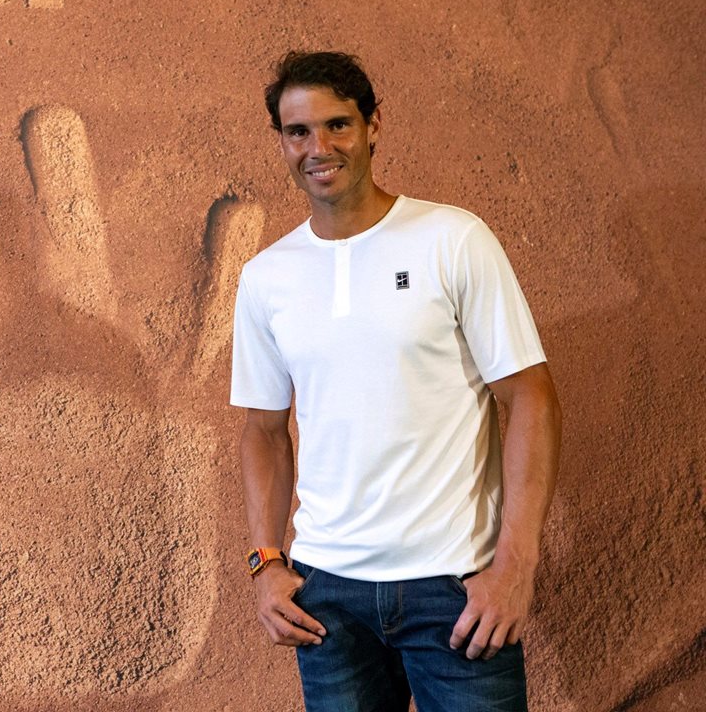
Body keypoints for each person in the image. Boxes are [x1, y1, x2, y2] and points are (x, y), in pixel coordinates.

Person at [231, 51, 561, 711]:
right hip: (327, 598)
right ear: (282, 143)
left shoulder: (452, 239)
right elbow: (263, 431)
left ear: (373, 124)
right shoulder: (267, 276)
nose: (318, 148)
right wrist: (266, 563)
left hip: (455, 589)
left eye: (337, 125)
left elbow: (531, 398)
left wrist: (515, 566)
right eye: (298, 132)